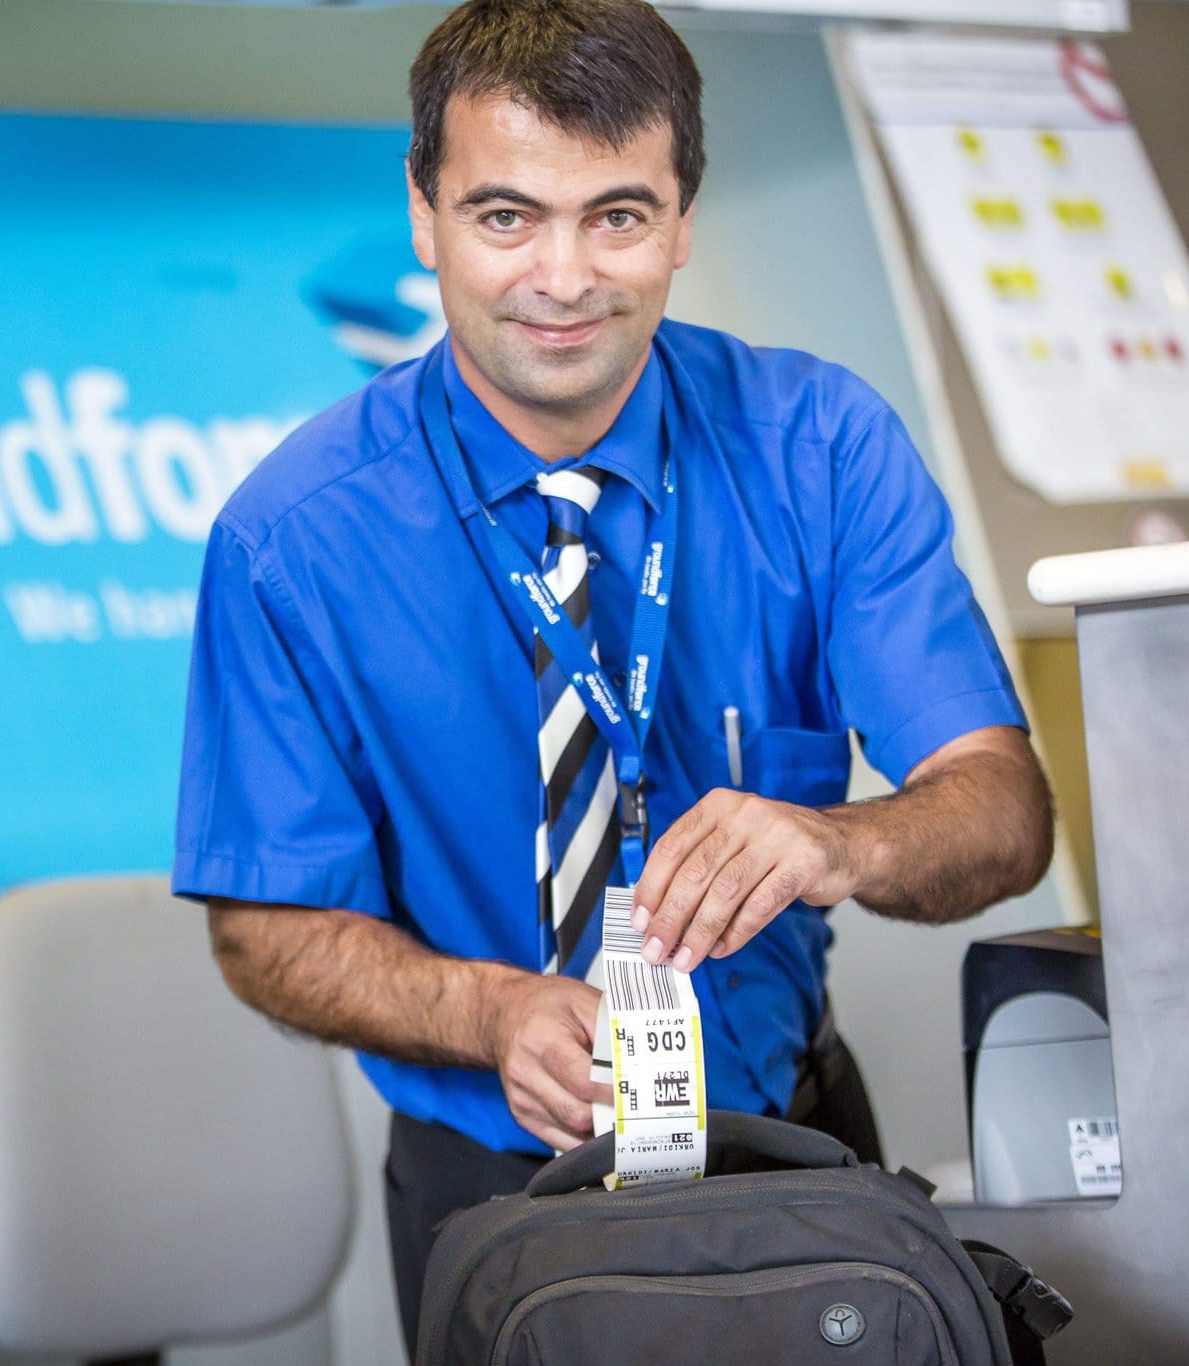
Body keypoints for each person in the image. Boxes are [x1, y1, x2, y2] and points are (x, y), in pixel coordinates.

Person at [170, 0, 1056, 1356]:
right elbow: (265, 927)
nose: (565, 277)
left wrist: (842, 839)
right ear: (424, 214)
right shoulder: (292, 540)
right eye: (507, 216)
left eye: (620, 216)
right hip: (497, 1184)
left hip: (801, 1147)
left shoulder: (821, 446)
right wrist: (489, 1008)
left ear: (684, 218)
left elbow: (1001, 810)